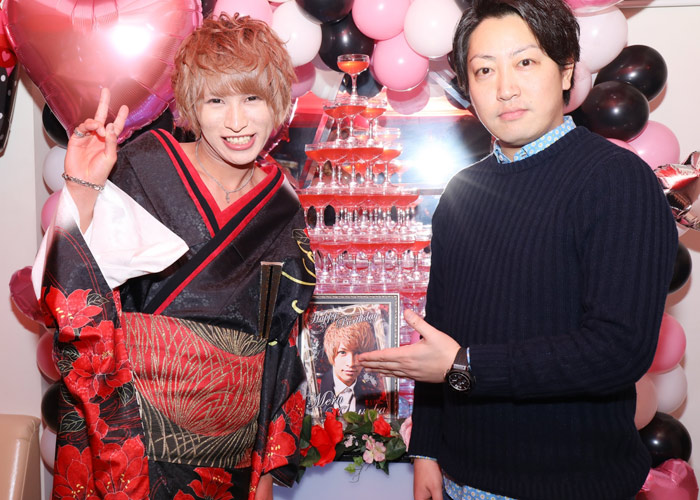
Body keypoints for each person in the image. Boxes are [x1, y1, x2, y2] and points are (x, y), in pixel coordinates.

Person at [358, 1, 678, 499]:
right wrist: (427, 450)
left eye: (525, 62)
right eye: (484, 70)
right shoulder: (462, 193)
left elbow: (618, 351)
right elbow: (438, 336)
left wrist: (467, 367)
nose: (505, 87)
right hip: (460, 480)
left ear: (566, 69)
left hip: (572, 485)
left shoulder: (616, 179)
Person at [33, 14, 314, 500]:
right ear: (191, 107)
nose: (236, 121)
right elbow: (69, 292)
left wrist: (267, 471)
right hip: (130, 441)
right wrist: (81, 188)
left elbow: (283, 346)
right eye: (216, 100)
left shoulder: (284, 206)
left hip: (231, 460)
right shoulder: (146, 166)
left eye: (252, 98)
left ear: (278, 102)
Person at [318, 320, 387, 415]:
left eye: (358, 353)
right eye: (342, 352)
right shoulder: (314, 388)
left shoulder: (373, 394)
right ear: (328, 352)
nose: (351, 363)